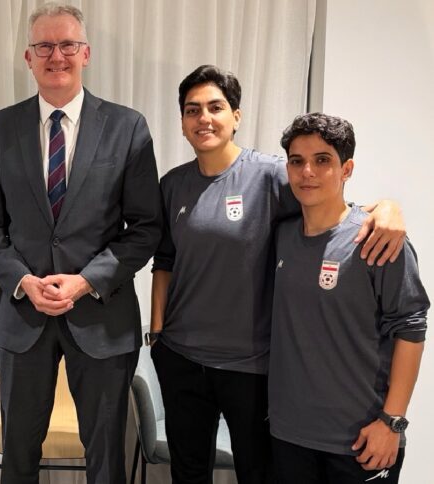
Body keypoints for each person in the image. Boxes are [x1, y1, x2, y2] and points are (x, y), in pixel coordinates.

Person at [149, 65, 407, 484]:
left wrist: (387, 208)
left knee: (257, 474)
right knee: (188, 473)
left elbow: (330, 204)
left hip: (252, 366)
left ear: (236, 116)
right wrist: (157, 334)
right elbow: (164, 261)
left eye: (215, 107)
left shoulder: (271, 175)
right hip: (182, 359)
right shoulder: (173, 184)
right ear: (182, 122)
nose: (204, 118)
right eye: (192, 110)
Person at [0, 3, 163, 482]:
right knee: (18, 456)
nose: (56, 56)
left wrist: (86, 281)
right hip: (23, 317)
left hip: (102, 316)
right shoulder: (0, 128)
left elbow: (145, 227)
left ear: (86, 53)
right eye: (44, 46)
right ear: (28, 58)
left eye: (67, 45)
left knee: (106, 459)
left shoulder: (127, 127)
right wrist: (22, 281)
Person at [270, 113, 427, 484]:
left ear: (347, 169)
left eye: (322, 160)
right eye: (297, 161)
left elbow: (411, 329)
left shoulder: (377, 240)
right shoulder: (280, 235)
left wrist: (392, 421)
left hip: (361, 439)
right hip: (288, 436)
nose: (307, 171)